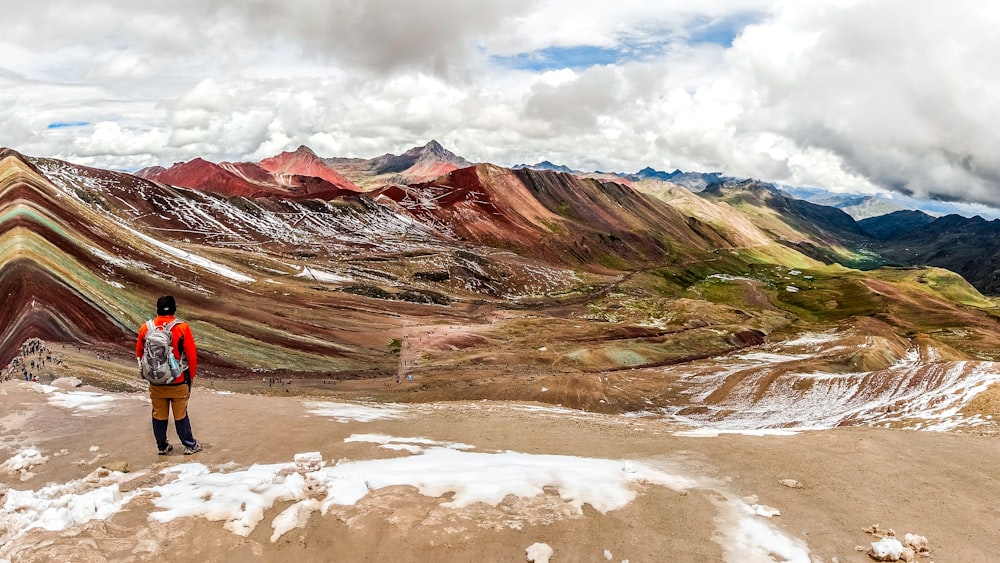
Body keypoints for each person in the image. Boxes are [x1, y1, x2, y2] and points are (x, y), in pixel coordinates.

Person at [136, 295, 203, 455]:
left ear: (157, 309)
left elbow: (139, 353)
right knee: (180, 414)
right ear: (174, 309)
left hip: (156, 381)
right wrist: (190, 378)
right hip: (178, 380)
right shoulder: (182, 328)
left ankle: (162, 446)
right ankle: (189, 445)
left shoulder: (146, 328)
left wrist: (150, 372)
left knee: (159, 413)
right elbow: (191, 356)